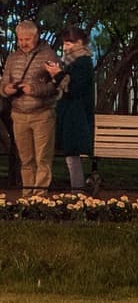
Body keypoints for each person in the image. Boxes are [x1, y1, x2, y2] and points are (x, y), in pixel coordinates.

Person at [0, 19, 61, 191]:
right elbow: (3, 82)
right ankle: (27, 195)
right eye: (20, 39)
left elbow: (58, 85)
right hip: (19, 114)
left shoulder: (48, 56)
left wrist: (34, 89)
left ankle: (40, 197)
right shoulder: (12, 58)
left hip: (42, 114)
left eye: (27, 39)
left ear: (36, 37)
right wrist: (7, 89)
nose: (23, 43)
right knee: (26, 159)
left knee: (43, 159)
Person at [51, 31, 93, 192]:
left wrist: (58, 74)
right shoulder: (71, 61)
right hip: (70, 112)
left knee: (72, 153)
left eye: (69, 43)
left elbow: (74, 87)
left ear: (80, 43)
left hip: (76, 113)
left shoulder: (82, 61)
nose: (65, 47)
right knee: (70, 154)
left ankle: (77, 189)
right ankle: (77, 188)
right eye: (65, 43)